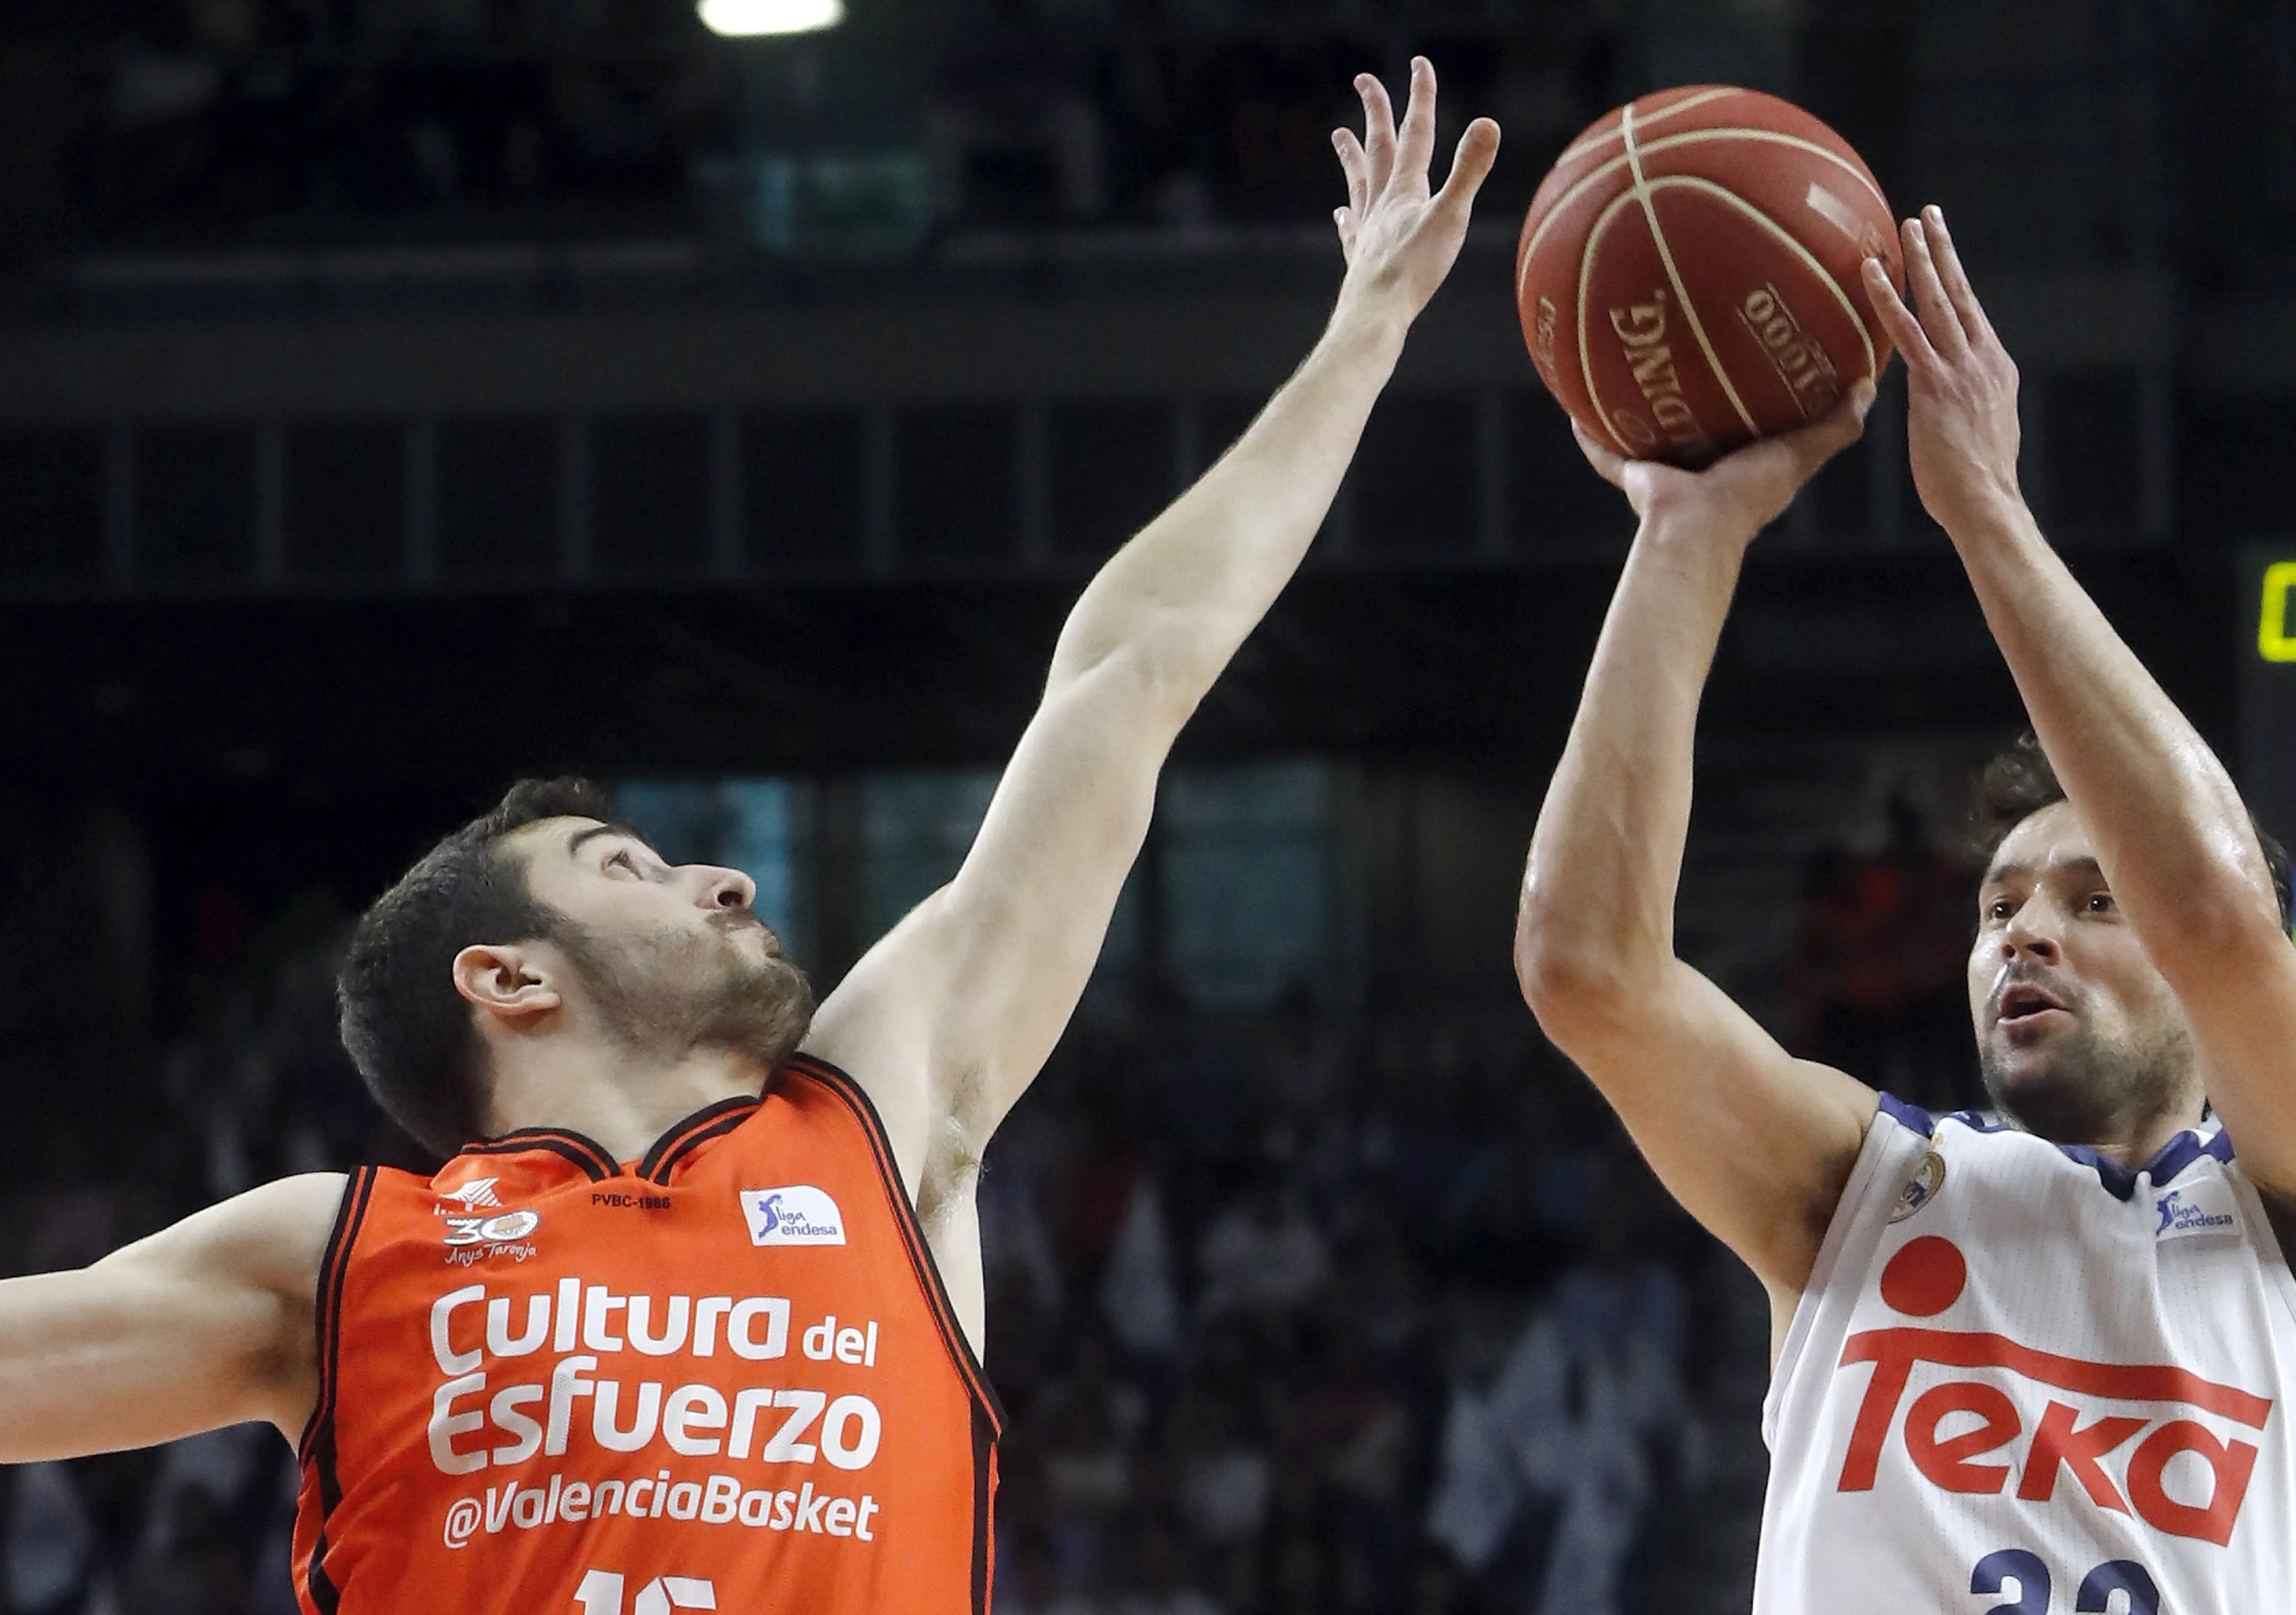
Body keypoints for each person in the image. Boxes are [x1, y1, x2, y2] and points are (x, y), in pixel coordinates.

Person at [0, 60, 1498, 1615]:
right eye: (627, 868)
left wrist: (1366, 335)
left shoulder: (882, 1110)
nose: (725, 876)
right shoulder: (337, 1256)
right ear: (507, 977)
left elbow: (1128, 675)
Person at [1511, 207, 2296, 1612]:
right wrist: (1688, 533)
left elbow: (2213, 904)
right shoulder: (1858, 1190)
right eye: (2000, 902)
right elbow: (1587, 968)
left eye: (2088, 897)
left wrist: (1985, 510)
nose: (2025, 929)